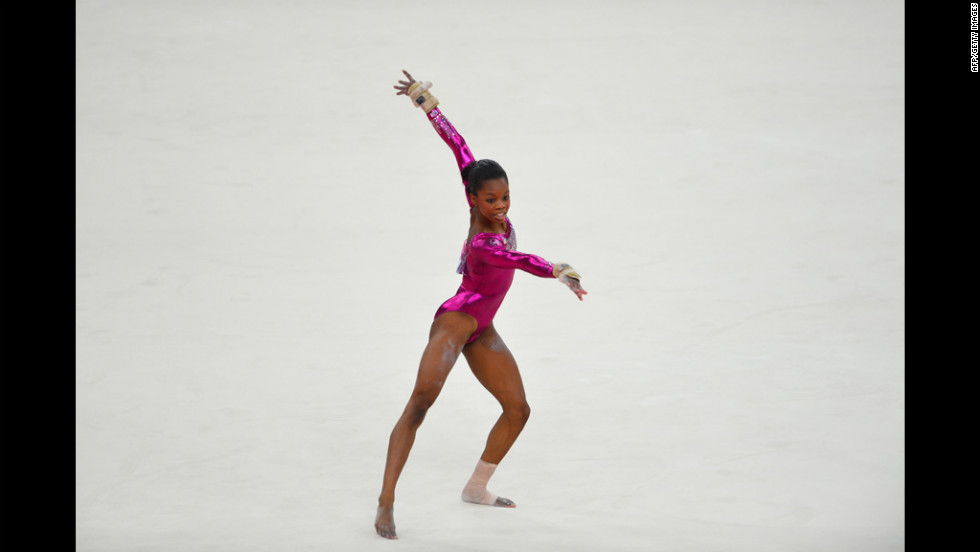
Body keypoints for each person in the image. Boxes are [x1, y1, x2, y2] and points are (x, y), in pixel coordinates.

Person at [375, 70, 587, 540]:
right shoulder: (484, 243)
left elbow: (459, 146)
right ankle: (386, 499)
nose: (501, 205)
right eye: (491, 199)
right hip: (456, 323)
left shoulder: (479, 189)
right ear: (472, 199)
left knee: (518, 409)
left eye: (506, 197)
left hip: (483, 327)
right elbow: (518, 259)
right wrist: (555, 268)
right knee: (419, 407)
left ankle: (477, 487)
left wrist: (426, 102)